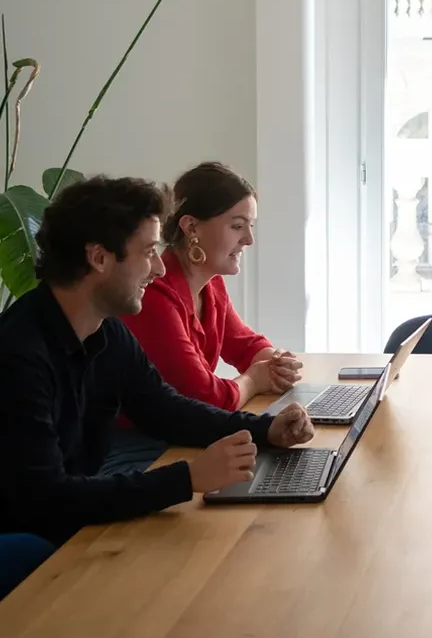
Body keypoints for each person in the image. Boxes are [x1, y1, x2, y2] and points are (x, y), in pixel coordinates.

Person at [0, 176, 314, 545]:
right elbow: (47, 500)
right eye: (148, 252)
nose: (159, 268)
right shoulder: (19, 354)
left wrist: (267, 430)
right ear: (99, 257)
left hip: (67, 518)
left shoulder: (107, 332)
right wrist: (187, 479)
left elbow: (166, 408)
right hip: (26, 537)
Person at [113, 163, 302, 471]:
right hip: (135, 447)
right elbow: (207, 398)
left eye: (250, 226)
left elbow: (245, 345)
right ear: (191, 228)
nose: (249, 240)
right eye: (237, 226)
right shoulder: (155, 297)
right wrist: (255, 379)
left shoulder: (210, 282)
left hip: (177, 436)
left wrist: (276, 364)